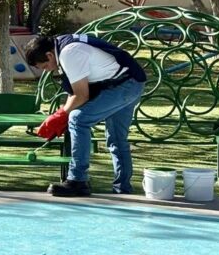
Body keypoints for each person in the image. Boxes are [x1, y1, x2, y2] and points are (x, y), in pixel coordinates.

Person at [24, 33, 147, 197]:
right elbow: (75, 92)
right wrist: (63, 114)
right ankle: (123, 190)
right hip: (131, 81)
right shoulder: (62, 45)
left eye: (45, 66)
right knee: (117, 138)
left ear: (49, 55)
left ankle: (77, 180)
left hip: (124, 85)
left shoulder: (69, 53)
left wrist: (60, 116)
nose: (46, 70)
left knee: (78, 119)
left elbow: (81, 95)